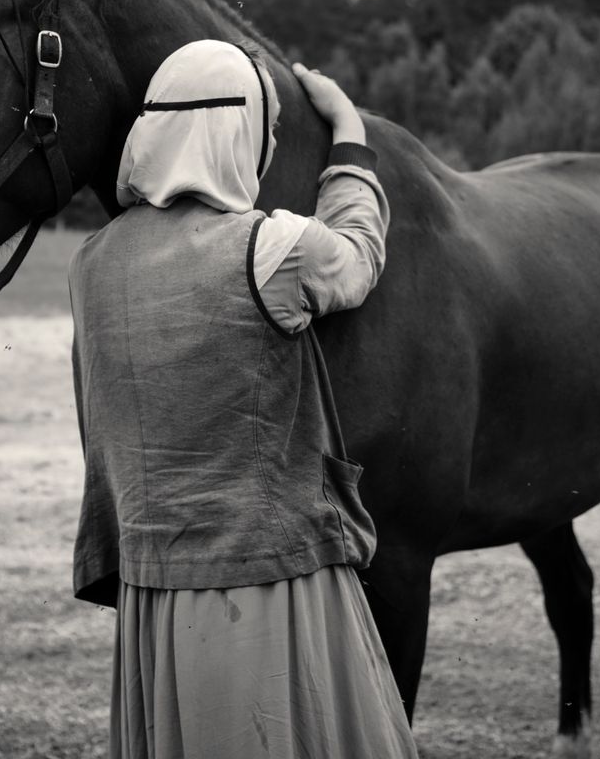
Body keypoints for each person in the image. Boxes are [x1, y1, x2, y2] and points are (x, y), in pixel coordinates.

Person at [68, 39, 417, 759]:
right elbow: (357, 255)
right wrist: (349, 138)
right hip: (270, 584)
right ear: (237, 136)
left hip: (152, 586)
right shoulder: (273, 249)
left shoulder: (91, 264)